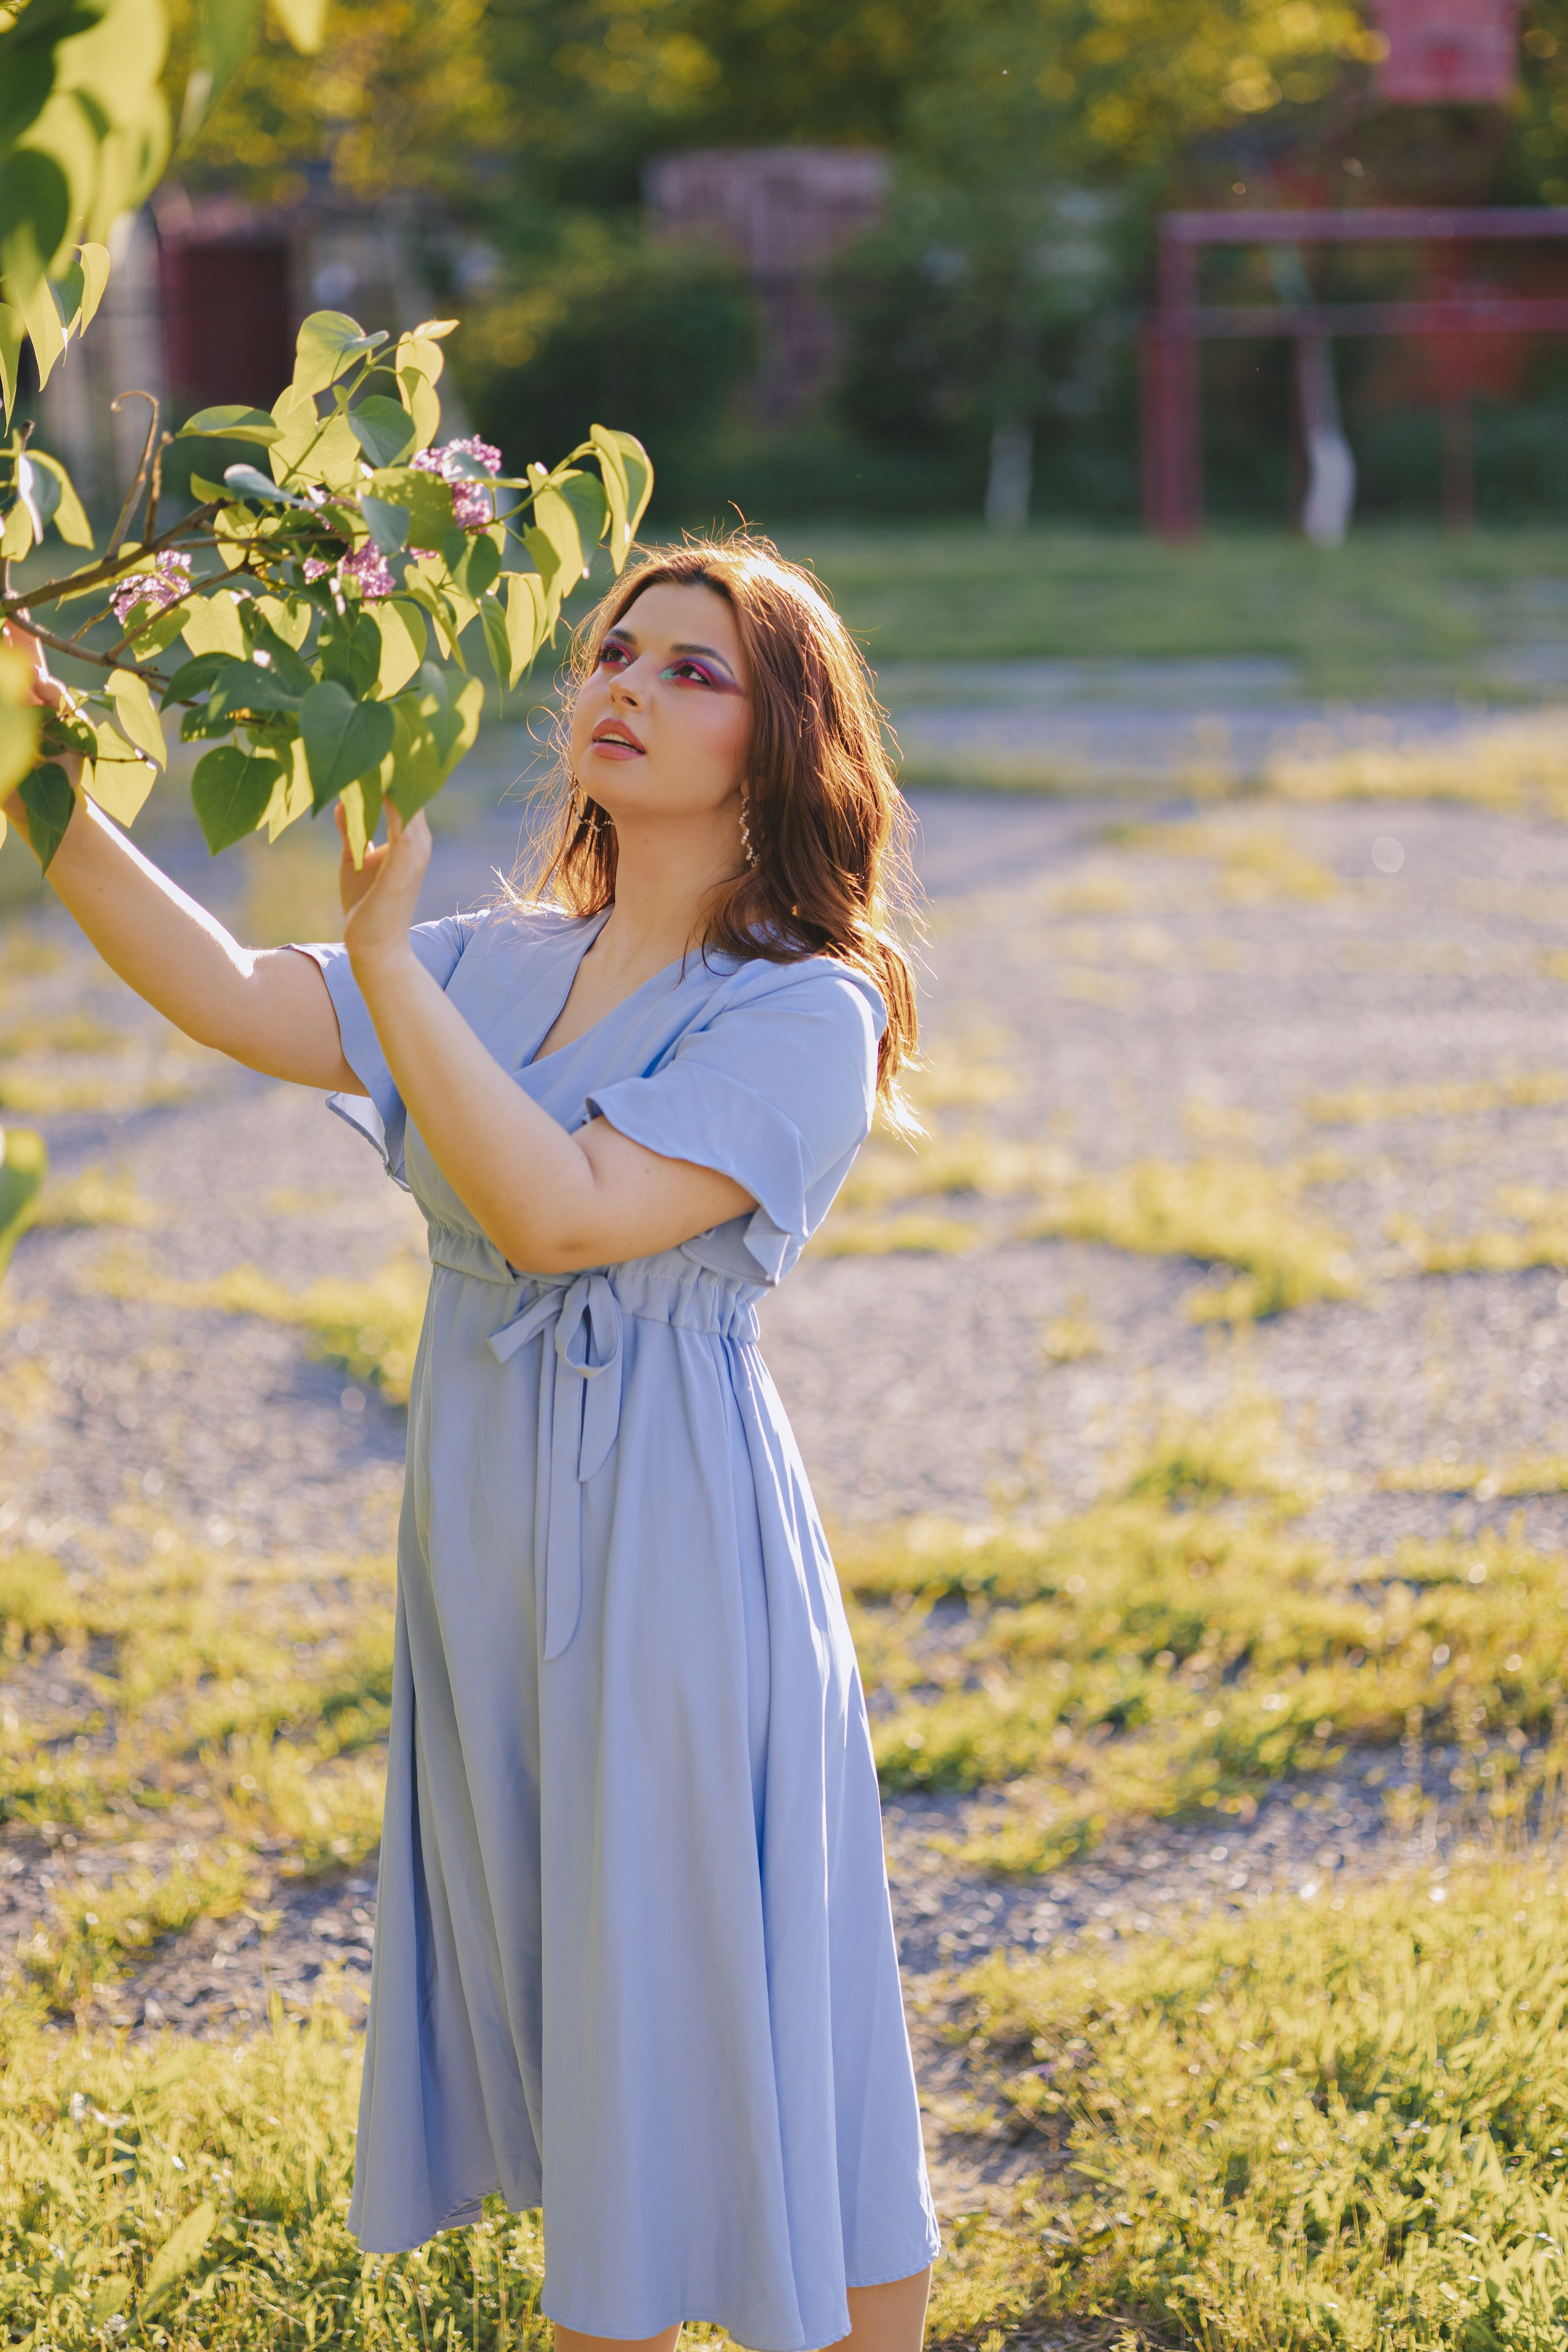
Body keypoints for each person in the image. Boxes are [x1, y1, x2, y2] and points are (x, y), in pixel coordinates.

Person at [1, 537, 938, 2352]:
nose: (629, 684)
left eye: (695, 671)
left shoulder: (802, 1005)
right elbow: (234, 999)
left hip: (672, 1552)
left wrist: (384, 966)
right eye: (616, 648)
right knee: (590, 2004)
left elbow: (565, 1218)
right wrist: (37, 777)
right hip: (490, 1534)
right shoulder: (502, 959)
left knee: (716, 1997)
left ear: (785, 744)